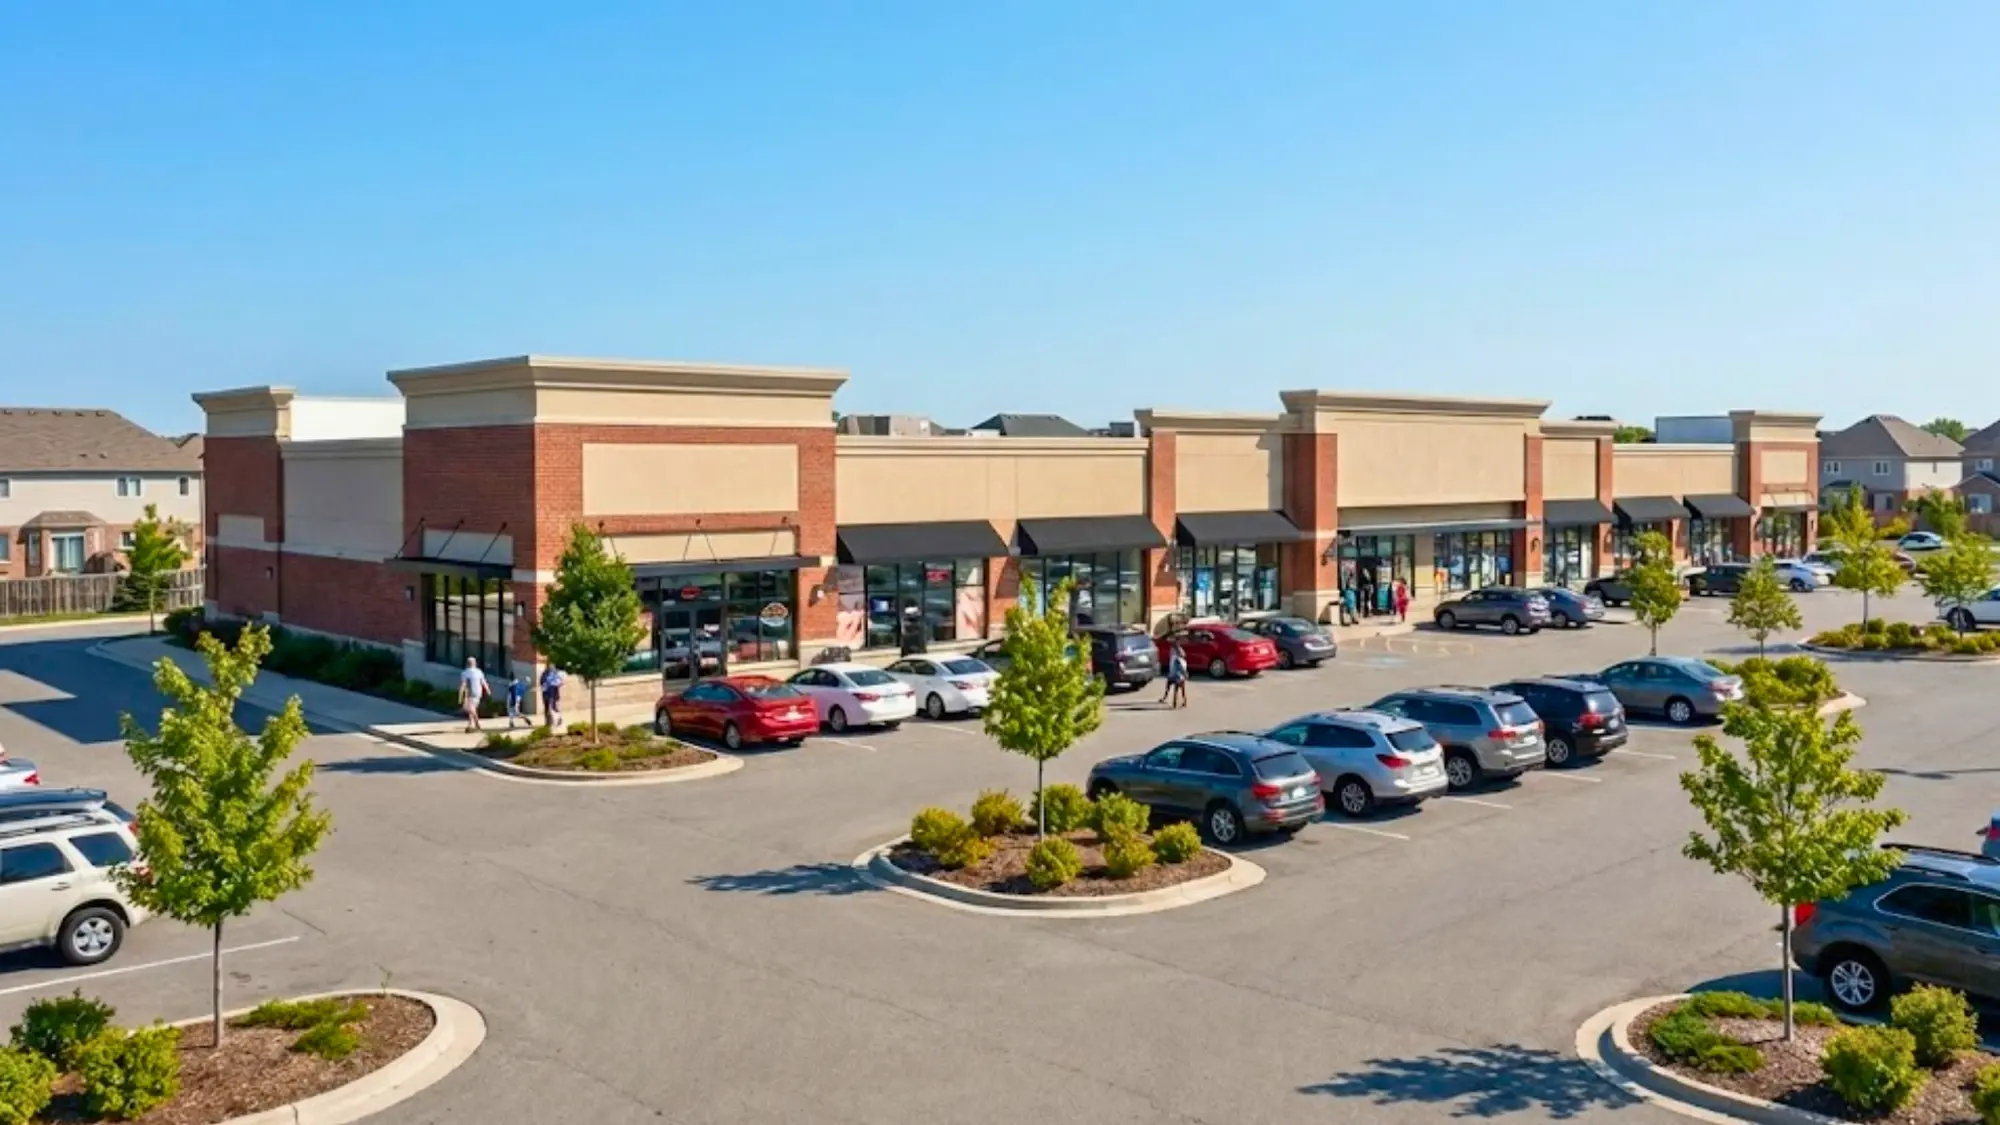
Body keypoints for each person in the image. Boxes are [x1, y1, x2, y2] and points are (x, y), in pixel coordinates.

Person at [459, 657, 489, 733]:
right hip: (479, 692)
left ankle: (476, 723)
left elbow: (463, 684)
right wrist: (488, 690)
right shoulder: (479, 671)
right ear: (475, 663)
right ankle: (470, 724)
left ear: (467, 663)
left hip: (471, 693)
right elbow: (483, 682)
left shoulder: (465, 673)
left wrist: (460, 695)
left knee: (470, 708)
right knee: (472, 708)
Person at [539, 664, 565, 730]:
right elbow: (541, 682)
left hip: (553, 694)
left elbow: (560, 682)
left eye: (551, 666)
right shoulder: (544, 674)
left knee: (553, 708)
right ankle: (548, 722)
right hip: (546, 693)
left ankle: (558, 720)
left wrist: (555, 684)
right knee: (547, 708)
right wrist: (544, 685)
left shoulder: (555, 674)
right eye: (549, 666)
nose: (550, 667)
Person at [1166, 641, 1189, 709]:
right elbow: (1181, 668)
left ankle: (1174, 703)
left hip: (1175, 676)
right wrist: (1186, 674)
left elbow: (1180, 668)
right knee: (1182, 689)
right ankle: (1183, 701)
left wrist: (1185, 674)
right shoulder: (1180, 659)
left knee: (1174, 689)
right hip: (1179, 677)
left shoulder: (1175, 658)